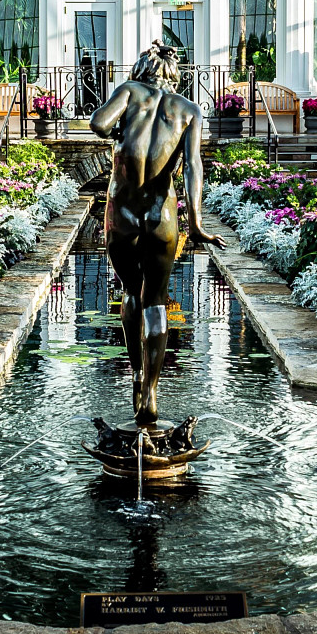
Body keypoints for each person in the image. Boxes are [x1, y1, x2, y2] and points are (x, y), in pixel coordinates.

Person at [89, 41, 222, 426]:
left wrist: (117, 136)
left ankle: (134, 372)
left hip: (123, 212)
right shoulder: (190, 111)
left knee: (132, 293)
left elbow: (99, 123)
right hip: (161, 213)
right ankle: (151, 387)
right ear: (173, 74)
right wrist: (195, 221)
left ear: (142, 69)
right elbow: (194, 166)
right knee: (157, 302)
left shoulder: (130, 92)